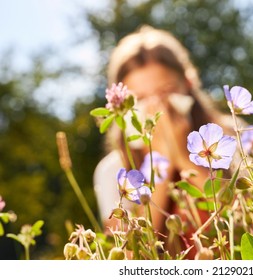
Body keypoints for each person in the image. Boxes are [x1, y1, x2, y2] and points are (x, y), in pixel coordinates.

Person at [93, 25, 236, 258]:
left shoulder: (230, 134)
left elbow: (247, 222)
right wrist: (160, 163)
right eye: (140, 99)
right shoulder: (111, 169)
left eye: (166, 91)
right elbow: (130, 257)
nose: (155, 109)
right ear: (121, 106)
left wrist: (182, 155)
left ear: (188, 83)